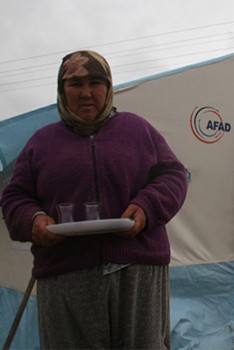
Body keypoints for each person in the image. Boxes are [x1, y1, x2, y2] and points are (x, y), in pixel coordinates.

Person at [1, 50, 188, 349]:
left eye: (95, 82)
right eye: (74, 84)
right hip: (65, 274)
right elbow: (14, 196)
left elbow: (174, 175)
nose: (86, 92)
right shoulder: (41, 142)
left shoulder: (137, 130)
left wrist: (146, 207)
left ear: (109, 86)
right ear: (62, 91)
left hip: (137, 272)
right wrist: (33, 220)